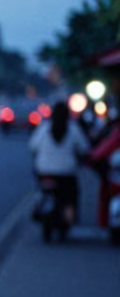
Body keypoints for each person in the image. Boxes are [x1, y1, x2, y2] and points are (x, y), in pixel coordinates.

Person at [29, 100, 90, 240]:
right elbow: (85, 148)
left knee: (41, 191)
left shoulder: (44, 128)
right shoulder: (73, 129)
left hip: (44, 172)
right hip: (66, 174)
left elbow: (32, 147)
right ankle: (69, 219)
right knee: (70, 197)